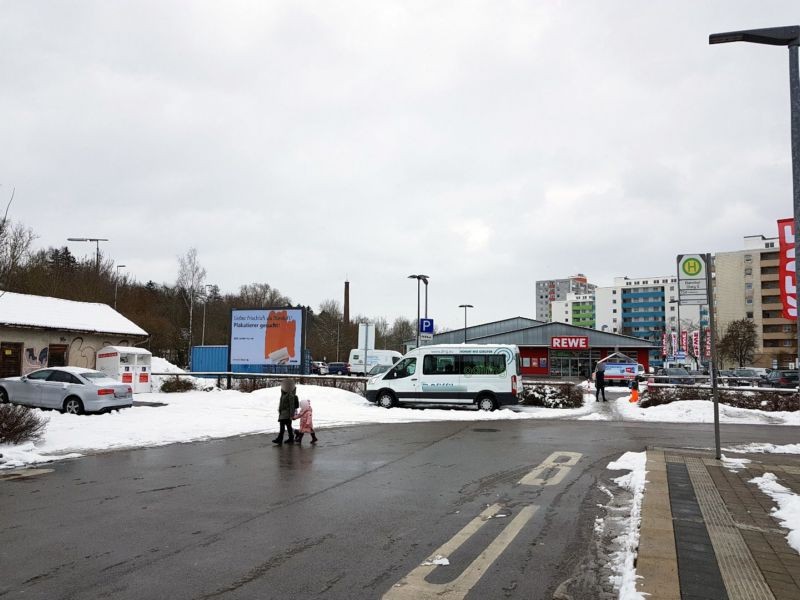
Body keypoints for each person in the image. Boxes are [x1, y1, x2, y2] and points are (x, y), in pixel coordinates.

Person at [273, 379, 299, 445]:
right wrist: (280, 410)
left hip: (287, 414)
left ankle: (280, 439)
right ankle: (291, 438)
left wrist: (291, 415)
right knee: (288, 426)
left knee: (283, 427)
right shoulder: (283, 394)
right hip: (283, 413)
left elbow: (291, 405)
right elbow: (281, 404)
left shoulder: (290, 395)